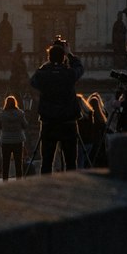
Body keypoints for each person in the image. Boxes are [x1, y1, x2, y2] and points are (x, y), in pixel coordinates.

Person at [29, 37, 84, 173]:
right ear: (63, 56)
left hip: (49, 122)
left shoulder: (43, 74)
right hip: (68, 122)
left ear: (49, 57)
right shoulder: (69, 74)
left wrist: (50, 63)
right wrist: (69, 54)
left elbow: (33, 80)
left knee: (47, 162)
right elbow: (80, 68)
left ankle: (46, 190)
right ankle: (71, 188)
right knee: (71, 161)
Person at [0, 94, 27, 180]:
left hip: (5, 141)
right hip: (18, 140)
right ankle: (19, 179)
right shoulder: (20, 113)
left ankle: (5, 180)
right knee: (18, 162)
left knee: (5, 162)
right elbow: (25, 125)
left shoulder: (2, 114)